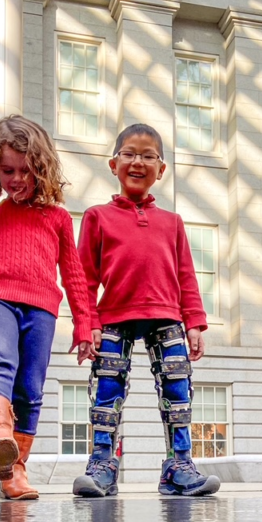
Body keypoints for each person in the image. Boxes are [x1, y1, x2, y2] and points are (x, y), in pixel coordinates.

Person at [0, 116, 92, 500]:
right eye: (7, 171)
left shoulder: (56, 217)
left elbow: (73, 274)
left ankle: (14, 470)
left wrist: (85, 326)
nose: (17, 179)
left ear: (42, 169)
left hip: (42, 308)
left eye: (27, 170)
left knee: (30, 390)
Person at [72, 123, 220, 498]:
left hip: (167, 315)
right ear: (113, 163)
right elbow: (84, 277)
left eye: (148, 155)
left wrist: (195, 323)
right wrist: (85, 324)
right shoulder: (97, 216)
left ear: (162, 169)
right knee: (107, 387)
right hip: (113, 316)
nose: (138, 161)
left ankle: (179, 465)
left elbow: (186, 274)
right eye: (129, 154)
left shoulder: (173, 223)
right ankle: (103, 463)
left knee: (177, 387)